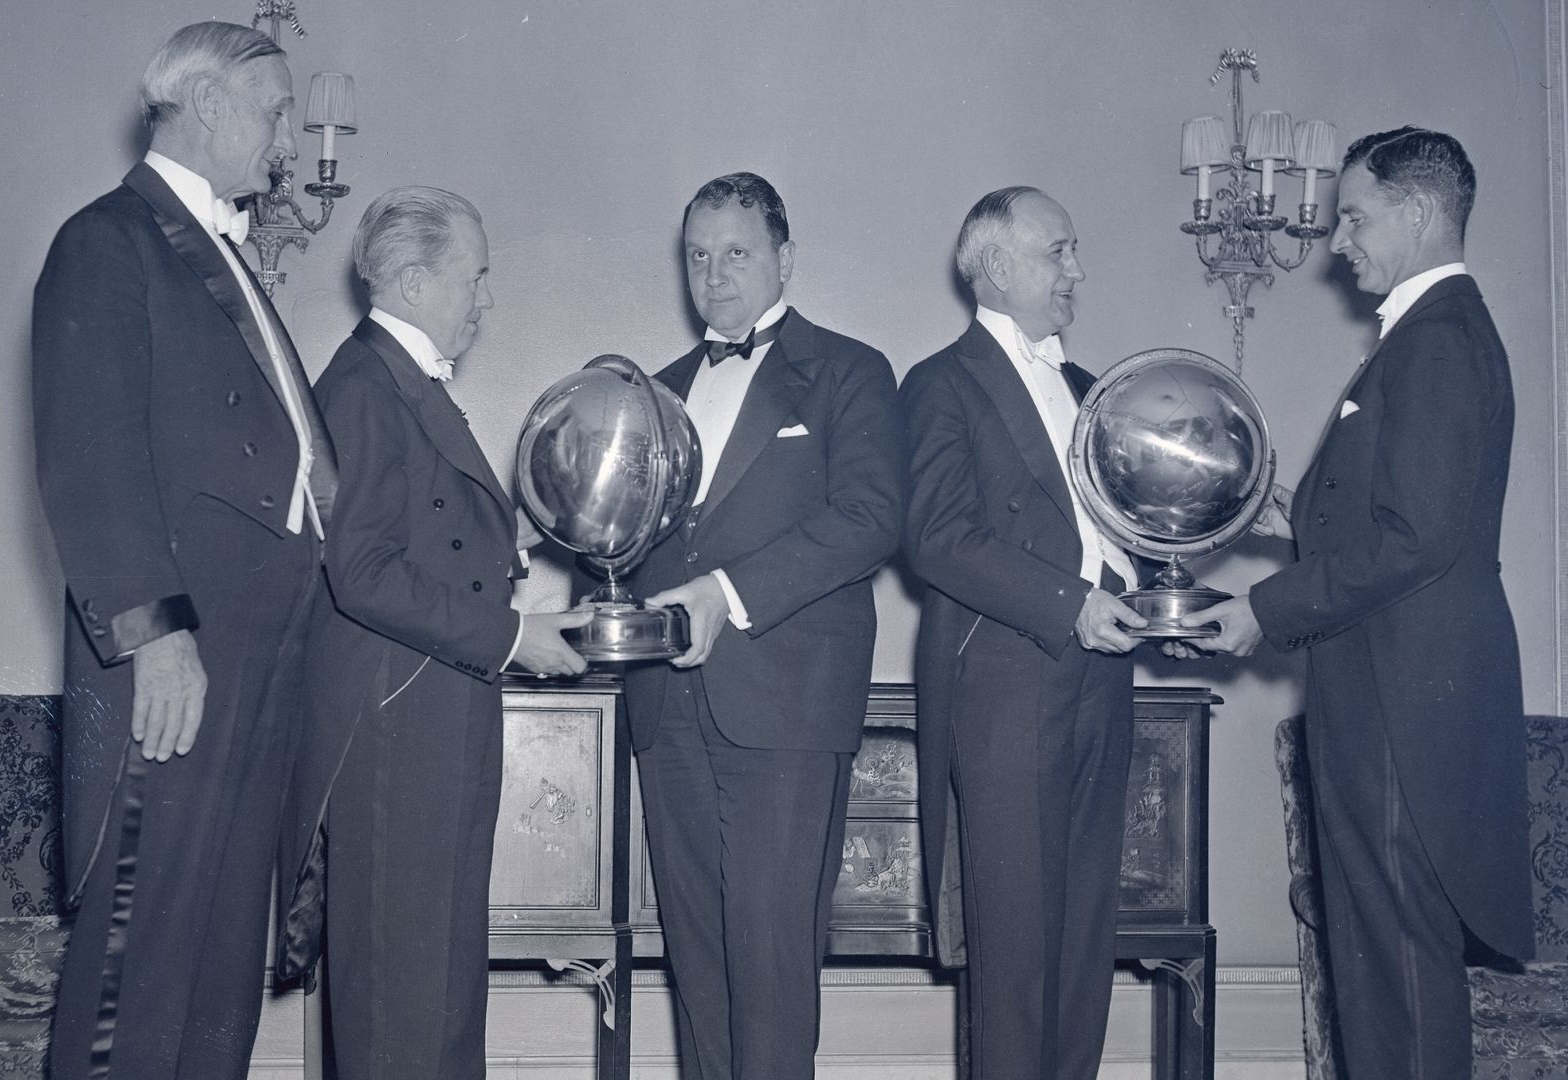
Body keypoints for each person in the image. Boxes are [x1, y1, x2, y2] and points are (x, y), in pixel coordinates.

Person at [1180, 127, 1532, 1078]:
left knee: (1400, 981)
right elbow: (1404, 518)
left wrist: (1265, 608)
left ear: (1418, 213)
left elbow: (1415, 539)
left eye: (1355, 216)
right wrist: (1293, 512)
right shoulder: (1431, 335)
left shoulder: (1437, 342)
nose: (1338, 241)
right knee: (1383, 977)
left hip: (1400, 709)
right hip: (1390, 691)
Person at [31, 20, 336, 1078]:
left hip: (264, 656)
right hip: (185, 658)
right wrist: (156, 633)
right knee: (141, 957)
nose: (288, 138)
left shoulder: (222, 250)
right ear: (206, 105)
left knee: (217, 971)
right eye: (274, 109)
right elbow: (90, 459)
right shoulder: (107, 241)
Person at [277, 187, 593, 1079]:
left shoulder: (403, 385)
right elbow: (364, 570)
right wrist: (508, 635)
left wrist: (517, 556)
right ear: (414, 281)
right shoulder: (366, 389)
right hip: (396, 741)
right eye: (475, 276)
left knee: (438, 1007)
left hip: (430, 728)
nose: (485, 299)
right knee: (403, 1011)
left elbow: (426, 541)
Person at [618, 172, 904, 1079]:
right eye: (698, 256)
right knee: (697, 971)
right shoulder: (653, 391)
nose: (714, 273)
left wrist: (726, 593)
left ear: (785, 258)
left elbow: (870, 519)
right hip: (665, 713)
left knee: (773, 971)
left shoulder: (850, 372)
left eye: (736, 252)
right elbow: (627, 547)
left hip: (784, 708)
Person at [900, 186, 1147, 1080]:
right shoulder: (938, 384)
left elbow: (1126, 532)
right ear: (997, 267)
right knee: (1013, 958)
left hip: (1099, 684)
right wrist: (1073, 602)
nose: (1077, 269)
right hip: (1005, 685)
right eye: (1060, 251)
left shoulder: (1089, 389)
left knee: (1084, 946)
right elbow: (937, 539)